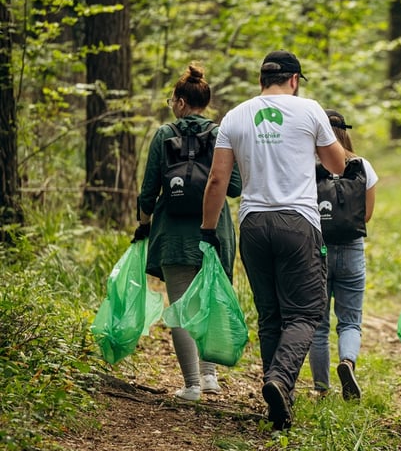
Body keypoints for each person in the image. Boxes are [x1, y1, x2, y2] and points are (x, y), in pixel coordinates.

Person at [200, 50, 346, 431]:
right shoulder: (309, 110)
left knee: (270, 316)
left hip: (252, 224)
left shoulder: (234, 116)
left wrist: (207, 230)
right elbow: (338, 165)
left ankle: (278, 401)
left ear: (262, 79)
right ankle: (280, 380)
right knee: (306, 312)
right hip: (297, 222)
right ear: (294, 79)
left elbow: (217, 180)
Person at [134, 62, 242, 402]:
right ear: (205, 102)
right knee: (208, 303)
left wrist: (143, 225)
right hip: (214, 233)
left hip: (174, 236)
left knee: (180, 308)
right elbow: (235, 186)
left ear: (180, 102)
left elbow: (148, 190)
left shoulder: (164, 135)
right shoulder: (221, 134)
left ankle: (192, 385)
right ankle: (210, 377)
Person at [308, 110, 378, 401]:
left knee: (319, 323)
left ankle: (321, 389)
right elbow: (367, 215)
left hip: (317, 249)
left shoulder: (309, 165)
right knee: (350, 320)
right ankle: (347, 362)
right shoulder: (362, 166)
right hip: (351, 249)